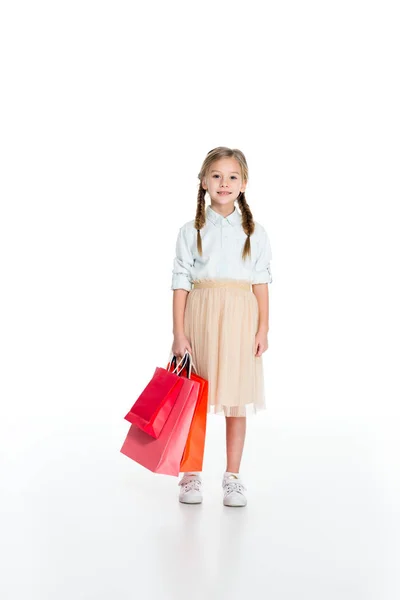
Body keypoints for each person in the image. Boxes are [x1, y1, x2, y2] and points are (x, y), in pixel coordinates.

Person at [171, 147, 273, 507]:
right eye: (216, 175)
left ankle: (233, 476)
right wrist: (178, 332)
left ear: (243, 184)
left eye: (232, 177)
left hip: (240, 316)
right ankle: (190, 474)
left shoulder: (255, 233)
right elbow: (181, 280)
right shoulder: (191, 230)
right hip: (201, 312)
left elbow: (260, 281)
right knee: (194, 399)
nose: (224, 183)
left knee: (235, 400)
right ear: (203, 182)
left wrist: (263, 328)